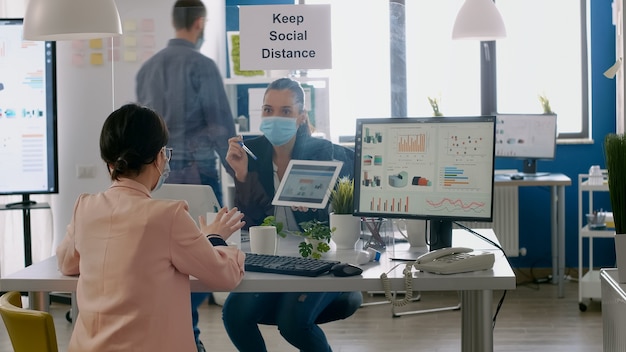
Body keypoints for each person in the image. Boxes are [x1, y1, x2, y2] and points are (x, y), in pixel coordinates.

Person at [56, 103, 246, 352]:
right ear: (159, 157)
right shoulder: (169, 215)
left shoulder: (85, 207)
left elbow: (67, 264)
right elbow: (226, 277)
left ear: (108, 161)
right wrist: (215, 237)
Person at [222, 77, 361, 352]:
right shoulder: (255, 152)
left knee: (293, 322)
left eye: (285, 111)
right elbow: (250, 224)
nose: (275, 117)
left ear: (301, 117)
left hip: (320, 258)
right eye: (268, 109)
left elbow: (340, 217)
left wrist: (320, 209)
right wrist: (241, 175)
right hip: (273, 258)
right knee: (235, 315)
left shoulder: (324, 153)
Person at [135, 1, 236, 349]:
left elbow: (142, 134)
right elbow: (221, 127)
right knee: (208, 257)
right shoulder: (202, 66)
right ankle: (188, 338)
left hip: (154, 180)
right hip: (198, 175)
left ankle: (184, 334)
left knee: (167, 262)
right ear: (199, 23)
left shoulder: (146, 70)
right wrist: (241, 176)